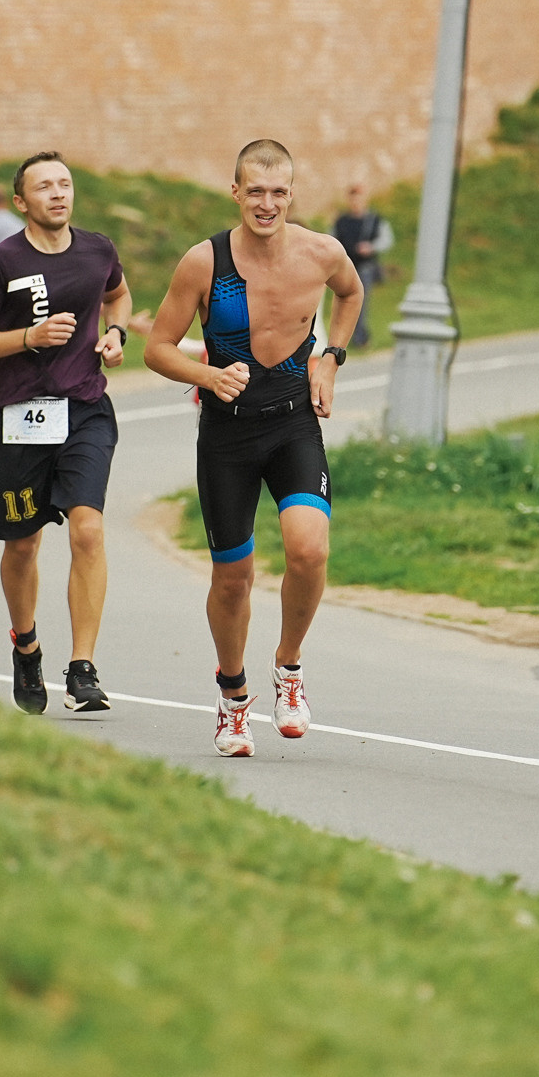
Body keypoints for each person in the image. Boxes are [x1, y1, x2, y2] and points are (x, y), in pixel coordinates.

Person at [145, 139, 363, 758]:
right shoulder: (203, 263)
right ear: (236, 192)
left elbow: (351, 295)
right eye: (255, 192)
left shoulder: (324, 253)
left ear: (293, 195)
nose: (267, 204)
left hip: (294, 421)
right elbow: (157, 348)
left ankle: (288, 669)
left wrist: (330, 358)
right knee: (233, 577)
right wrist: (209, 377)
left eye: (279, 192)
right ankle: (233, 697)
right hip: (227, 435)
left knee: (309, 550)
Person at [0, 153, 132, 716]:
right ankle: (25, 643)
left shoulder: (98, 249)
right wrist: (28, 336)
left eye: (64, 184)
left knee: (88, 531)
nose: (57, 194)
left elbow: (118, 295)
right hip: (20, 416)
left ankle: (82, 666)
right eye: (43, 187)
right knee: (23, 542)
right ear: (20, 202)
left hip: (85, 408)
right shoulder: (1, 262)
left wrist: (116, 332)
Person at [329, 182, 394, 349]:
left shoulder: (374, 220)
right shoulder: (342, 221)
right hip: (346, 267)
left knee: (360, 304)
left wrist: (371, 247)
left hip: (365, 268)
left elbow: (386, 239)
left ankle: (360, 337)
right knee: (342, 302)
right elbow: (331, 239)